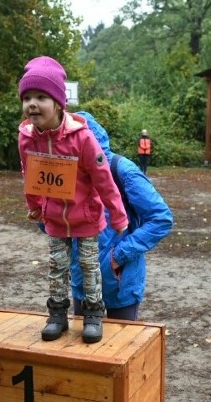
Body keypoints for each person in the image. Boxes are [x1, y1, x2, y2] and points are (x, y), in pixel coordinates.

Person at [17, 56, 128, 343]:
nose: (32, 104)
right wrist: (35, 207)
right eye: (27, 97)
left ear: (58, 102)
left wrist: (117, 215)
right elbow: (29, 173)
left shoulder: (82, 138)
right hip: (54, 217)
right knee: (57, 267)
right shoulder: (27, 138)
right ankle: (57, 315)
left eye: (40, 96)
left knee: (90, 266)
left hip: (87, 216)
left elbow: (103, 177)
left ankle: (92, 314)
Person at [71, 112, 173, 321]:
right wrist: (42, 215)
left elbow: (161, 219)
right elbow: (57, 225)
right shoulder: (66, 172)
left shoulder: (122, 171)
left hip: (119, 281)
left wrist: (117, 257)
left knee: (121, 349)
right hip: (82, 278)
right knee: (81, 349)